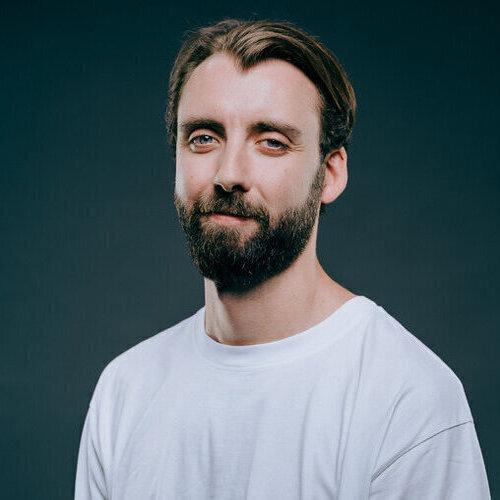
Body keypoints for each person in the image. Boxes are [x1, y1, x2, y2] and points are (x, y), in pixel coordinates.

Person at [75, 19, 490, 499]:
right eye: (204, 137)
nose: (229, 174)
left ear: (330, 173)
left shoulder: (408, 398)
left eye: (271, 141)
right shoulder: (124, 391)